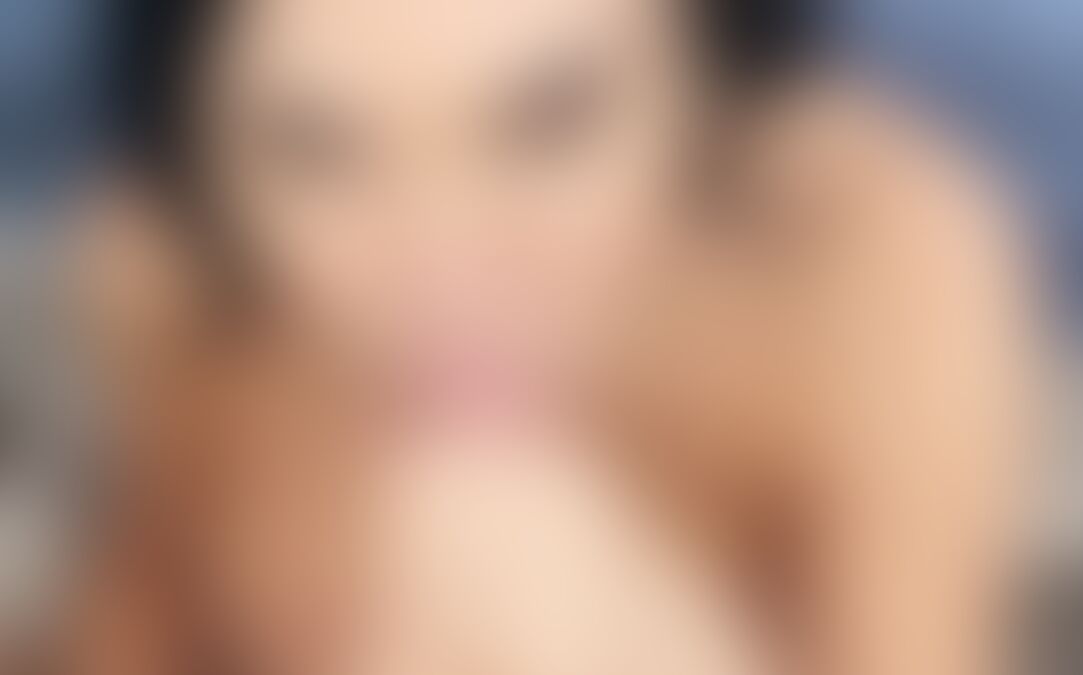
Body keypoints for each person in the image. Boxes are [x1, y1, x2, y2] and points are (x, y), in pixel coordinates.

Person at [67, 0, 1034, 673]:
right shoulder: (183, 289)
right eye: (317, 148)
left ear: (702, 80)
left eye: (548, 121)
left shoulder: (861, 264)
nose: (444, 268)